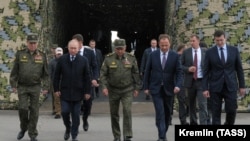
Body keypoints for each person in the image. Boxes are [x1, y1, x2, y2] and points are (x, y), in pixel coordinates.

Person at [10, 33, 49, 141]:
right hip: (22, 86)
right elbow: (15, 71)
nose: (32, 45)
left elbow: (46, 74)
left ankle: (32, 134)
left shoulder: (42, 55)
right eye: (30, 43)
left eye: (34, 43)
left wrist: (45, 87)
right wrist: (13, 84)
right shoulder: (20, 54)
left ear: (37, 43)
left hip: (35, 86)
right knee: (23, 108)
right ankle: (23, 128)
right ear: (27, 43)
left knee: (34, 110)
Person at [143, 34, 182, 141]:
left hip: (169, 88)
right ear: (159, 44)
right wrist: (146, 87)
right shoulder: (153, 55)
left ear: (170, 44)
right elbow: (147, 71)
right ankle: (161, 136)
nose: (164, 48)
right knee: (160, 111)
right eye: (162, 45)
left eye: (166, 45)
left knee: (167, 113)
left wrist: (178, 85)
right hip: (156, 88)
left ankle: (163, 132)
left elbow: (179, 72)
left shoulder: (174, 56)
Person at [100, 39, 140, 141]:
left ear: (125, 48)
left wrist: (137, 87)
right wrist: (104, 87)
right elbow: (103, 74)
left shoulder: (131, 58)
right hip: (113, 90)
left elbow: (135, 73)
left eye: (121, 49)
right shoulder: (108, 59)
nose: (120, 51)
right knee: (114, 113)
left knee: (127, 110)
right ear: (115, 48)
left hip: (127, 89)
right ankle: (117, 136)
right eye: (117, 49)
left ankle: (127, 135)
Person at [202, 30, 245, 125]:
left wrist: (242, 86)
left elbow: (239, 69)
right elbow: (205, 72)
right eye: (217, 40)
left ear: (225, 38)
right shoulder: (209, 52)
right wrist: (205, 88)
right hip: (215, 87)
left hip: (230, 85)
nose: (219, 42)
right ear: (214, 40)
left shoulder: (234, 50)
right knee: (215, 113)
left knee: (231, 110)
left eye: (221, 40)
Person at [53, 39, 91, 141]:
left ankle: (74, 135)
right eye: (71, 48)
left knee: (76, 116)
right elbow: (56, 75)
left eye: (75, 48)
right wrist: (56, 89)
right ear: (68, 48)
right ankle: (68, 128)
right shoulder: (62, 59)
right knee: (65, 112)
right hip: (65, 92)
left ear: (78, 49)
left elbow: (87, 77)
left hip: (78, 93)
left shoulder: (83, 60)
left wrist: (87, 91)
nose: (73, 50)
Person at [72, 34, 98, 132]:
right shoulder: (72, 52)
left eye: (75, 42)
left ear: (80, 42)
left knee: (88, 105)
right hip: (75, 83)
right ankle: (76, 124)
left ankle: (85, 119)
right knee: (75, 104)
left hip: (88, 82)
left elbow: (95, 66)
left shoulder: (90, 53)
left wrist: (95, 78)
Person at [181, 35, 208, 125]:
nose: (191, 43)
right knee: (191, 104)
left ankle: (203, 123)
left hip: (202, 82)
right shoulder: (186, 52)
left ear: (198, 41)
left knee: (202, 104)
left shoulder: (205, 52)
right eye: (190, 41)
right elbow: (180, 66)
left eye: (193, 41)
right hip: (190, 82)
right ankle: (193, 122)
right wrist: (188, 69)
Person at [176, 44, 189, 125]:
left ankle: (168, 119)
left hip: (177, 81)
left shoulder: (174, 56)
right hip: (180, 82)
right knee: (182, 101)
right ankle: (183, 120)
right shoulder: (180, 57)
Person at [48, 47, 63, 119]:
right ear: (55, 54)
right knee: (56, 97)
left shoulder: (66, 61)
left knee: (63, 97)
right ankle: (58, 112)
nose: (59, 55)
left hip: (64, 82)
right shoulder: (52, 62)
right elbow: (49, 73)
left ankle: (61, 110)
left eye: (60, 54)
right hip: (55, 82)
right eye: (58, 54)